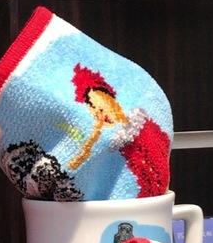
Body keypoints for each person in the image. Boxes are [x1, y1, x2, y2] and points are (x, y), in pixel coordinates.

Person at [67, 65, 169, 197]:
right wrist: (94, 135)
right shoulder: (109, 139)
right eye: (95, 111)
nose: (100, 115)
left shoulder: (139, 122)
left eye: (101, 109)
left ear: (112, 100)